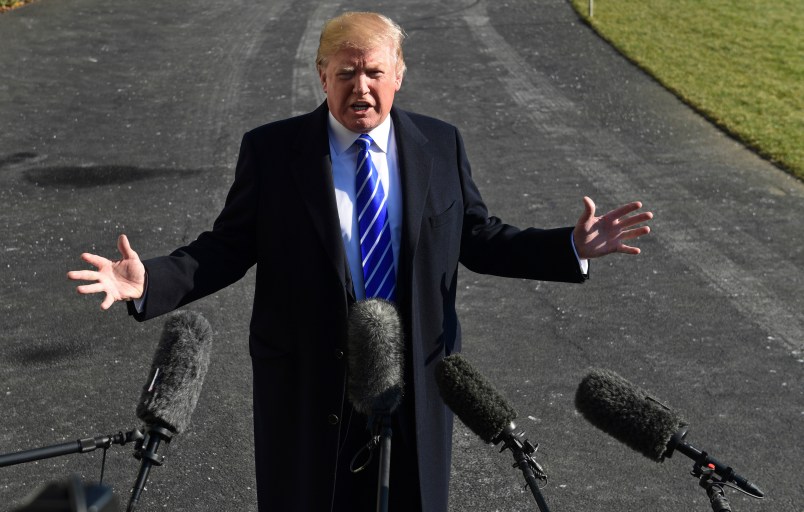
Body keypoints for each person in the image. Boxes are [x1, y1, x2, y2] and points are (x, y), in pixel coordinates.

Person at [67, 11, 652, 512]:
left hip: (415, 387)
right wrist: (151, 280)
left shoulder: (440, 143)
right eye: (345, 73)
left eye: (374, 71)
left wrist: (569, 247)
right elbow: (227, 247)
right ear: (322, 75)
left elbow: (476, 237)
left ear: (399, 74)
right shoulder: (273, 152)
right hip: (308, 387)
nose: (361, 87)